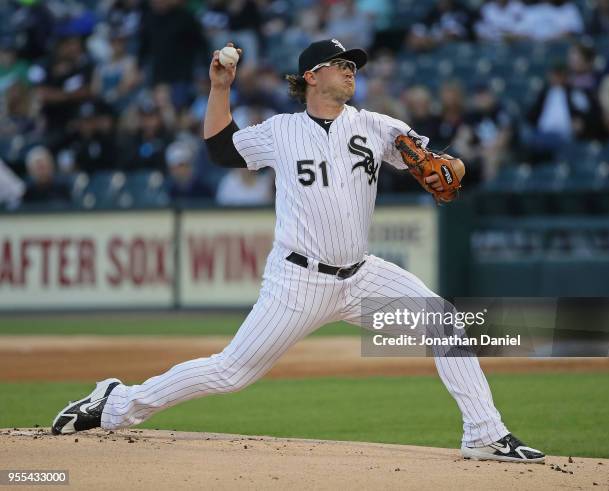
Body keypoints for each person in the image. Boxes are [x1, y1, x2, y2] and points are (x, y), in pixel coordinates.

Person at [51, 39, 545, 464]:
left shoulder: (376, 125)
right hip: (298, 281)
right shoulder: (280, 131)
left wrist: (450, 166)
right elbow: (222, 151)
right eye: (341, 63)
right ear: (311, 76)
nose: (351, 69)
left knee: (444, 320)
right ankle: (115, 403)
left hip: (362, 276)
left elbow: (437, 162)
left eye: (354, 65)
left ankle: (484, 433)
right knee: (231, 372)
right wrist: (221, 88)